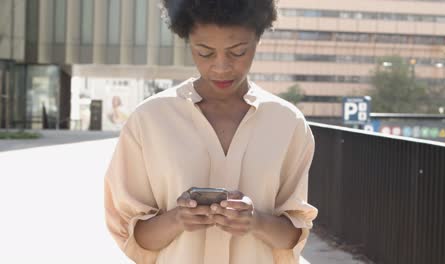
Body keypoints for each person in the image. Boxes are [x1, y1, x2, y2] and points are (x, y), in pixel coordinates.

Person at [104, 0, 318, 263]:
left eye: (238, 52)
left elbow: (293, 238)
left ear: (258, 40)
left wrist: (255, 222)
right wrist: (176, 219)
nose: (221, 67)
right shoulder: (149, 119)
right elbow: (135, 238)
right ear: (188, 41)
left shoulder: (287, 123)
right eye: (204, 53)